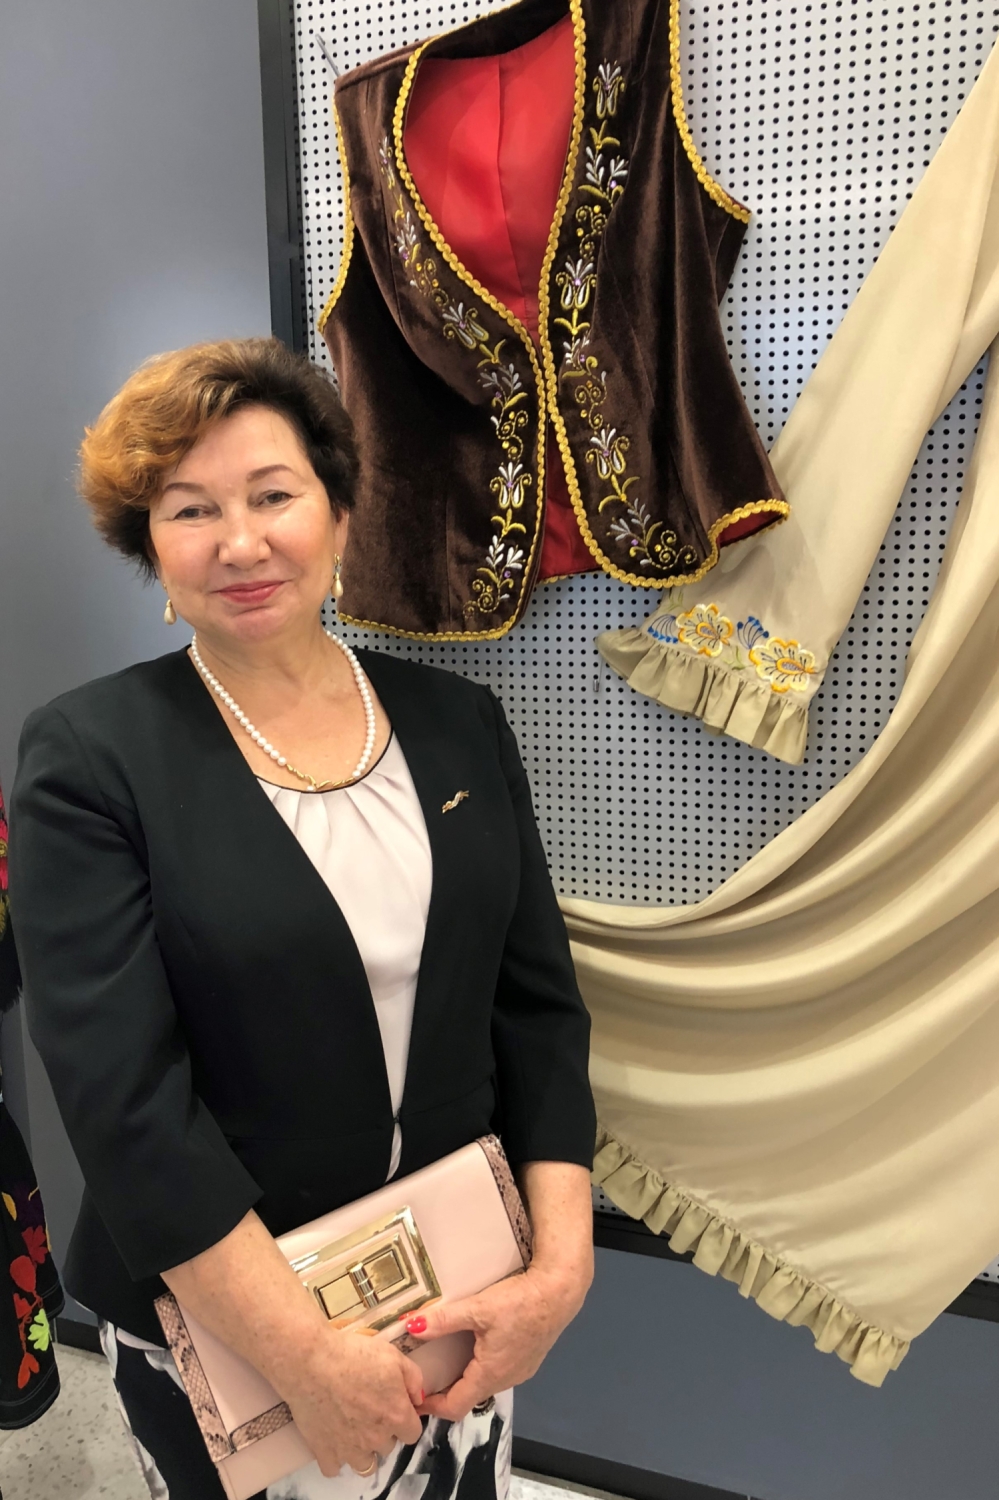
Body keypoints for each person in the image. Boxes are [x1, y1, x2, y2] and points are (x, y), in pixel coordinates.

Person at [9, 339, 596, 1500]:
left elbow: (537, 1013)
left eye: (273, 495)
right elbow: (126, 1102)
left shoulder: (458, 724)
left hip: (457, 1288)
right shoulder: (89, 756)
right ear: (150, 547)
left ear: (337, 511)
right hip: (230, 1326)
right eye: (191, 510)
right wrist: (304, 1355)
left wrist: (560, 1274)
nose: (241, 542)